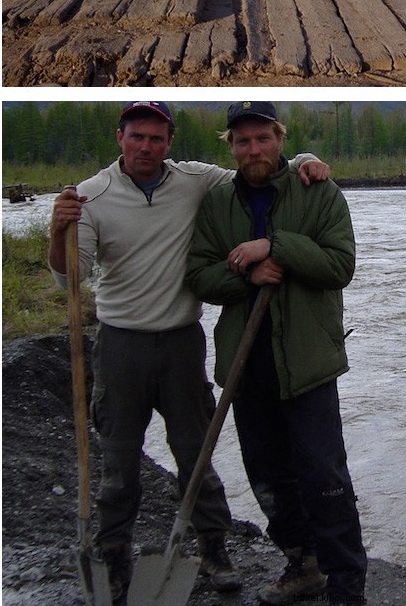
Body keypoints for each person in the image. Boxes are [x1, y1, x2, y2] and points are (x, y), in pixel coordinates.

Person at [49, 101, 329, 604]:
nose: (146, 148)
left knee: (195, 454)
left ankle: (215, 551)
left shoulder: (195, 180)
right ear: (120, 138)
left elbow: (260, 169)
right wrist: (57, 231)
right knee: (118, 464)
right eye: (137, 137)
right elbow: (71, 275)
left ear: (169, 144)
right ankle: (113, 558)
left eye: (157, 139)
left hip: (182, 342)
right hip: (120, 346)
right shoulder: (90, 196)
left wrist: (307, 157)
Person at [186, 102, 366, 606]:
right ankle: (301, 565)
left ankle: (348, 588)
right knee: (267, 475)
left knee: (325, 477)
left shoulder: (319, 190)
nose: (254, 149)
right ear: (231, 146)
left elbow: (339, 266)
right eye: (242, 141)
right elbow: (199, 275)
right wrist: (245, 274)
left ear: (280, 139)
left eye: (263, 138)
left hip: (308, 364)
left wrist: (276, 247)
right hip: (247, 366)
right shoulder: (219, 202)